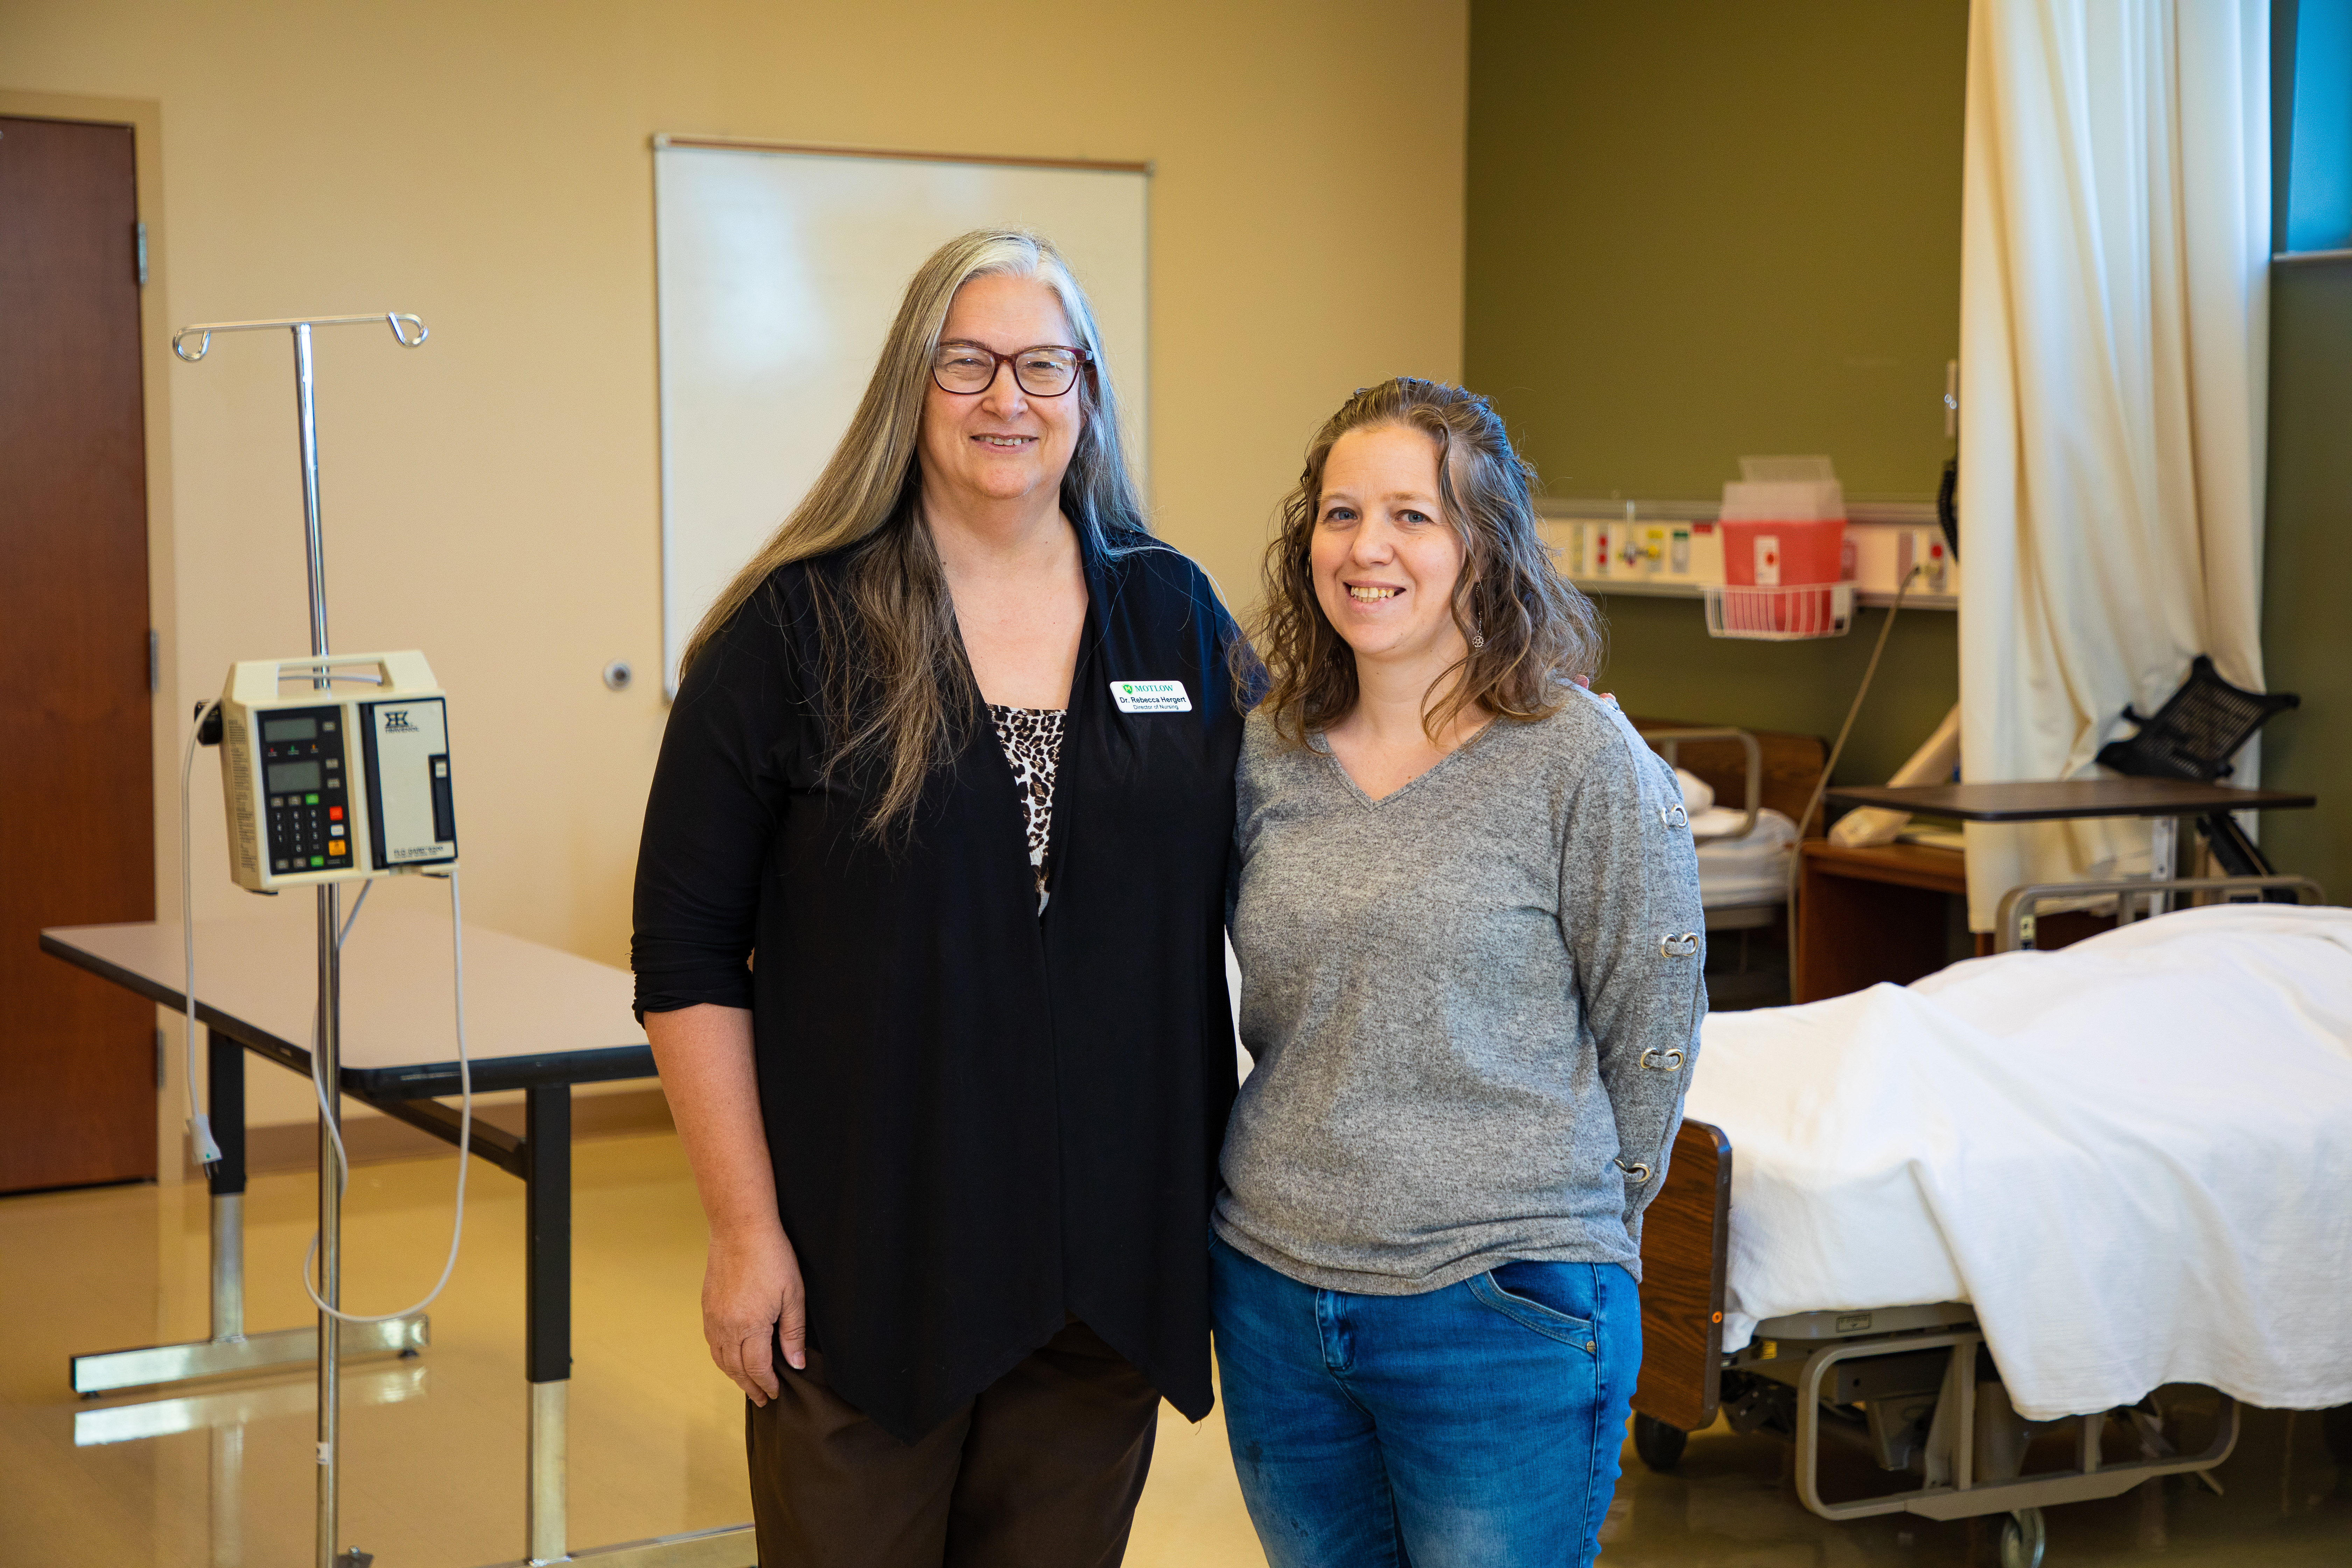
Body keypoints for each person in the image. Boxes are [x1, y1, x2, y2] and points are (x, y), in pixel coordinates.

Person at [632, 229, 1247, 1568]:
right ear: (908, 390)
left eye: (1042, 364)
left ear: (1087, 396)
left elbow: (1298, 844)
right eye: (966, 362)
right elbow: (683, 952)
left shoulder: (1175, 617)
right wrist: (746, 1234)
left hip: (1100, 1277)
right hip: (865, 1265)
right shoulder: (793, 631)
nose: (1006, 398)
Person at [1211, 377, 1704, 1567]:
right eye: (1340, 515)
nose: (1367, 548)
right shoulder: (1264, 755)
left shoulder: (1577, 757)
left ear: (1484, 545)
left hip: (1503, 1311)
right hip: (1276, 1296)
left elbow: (1656, 1025)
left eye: (1412, 517)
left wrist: (1570, 1221)